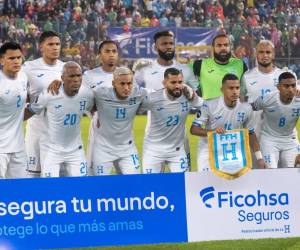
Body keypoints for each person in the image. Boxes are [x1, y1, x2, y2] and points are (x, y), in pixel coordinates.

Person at [133, 30, 198, 169]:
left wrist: (191, 93)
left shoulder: (184, 70)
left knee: (183, 181)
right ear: (155, 47)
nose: (168, 46)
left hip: (179, 137)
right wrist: (133, 73)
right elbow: (131, 92)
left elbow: (196, 95)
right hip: (153, 137)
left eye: (171, 43)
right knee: (153, 185)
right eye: (164, 44)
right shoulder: (145, 68)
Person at [25, 62, 94, 177]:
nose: (76, 79)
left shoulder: (87, 94)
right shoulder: (50, 94)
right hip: (52, 151)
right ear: (62, 78)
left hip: (76, 150)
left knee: (81, 186)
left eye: (78, 75)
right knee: (50, 188)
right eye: (71, 76)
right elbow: (31, 110)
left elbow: (95, 108)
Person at [190, 74, 264, 172]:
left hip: (231, 150)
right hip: (208, 149)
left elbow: (250, 133)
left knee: (233, 182)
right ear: (222, 89)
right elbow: (193, 129)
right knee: (206, 180)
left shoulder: (246, 108)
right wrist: (213, 132)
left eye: (237, 88)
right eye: (230, 88)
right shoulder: (209, 105)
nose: (234, 92)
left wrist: (259, 158)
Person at [139, 68, 203, 173]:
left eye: (180, 82)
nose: (177, 86)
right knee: (152, 186)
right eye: (173, 82)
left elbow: (207, 107)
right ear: (164, 83)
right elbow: (133, 107)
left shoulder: (188, 96)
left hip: (177, 151)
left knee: (183, 185)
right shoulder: (153, 98)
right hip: (153, 151)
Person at [91, 67, 148, 175]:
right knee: (100, 187)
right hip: (103, 150)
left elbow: (161, 94)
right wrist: (60, 85)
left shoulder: (139, 93)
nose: (126, 88)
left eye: (129, 83)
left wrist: (184, 88)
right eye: (122, 84)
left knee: (134, 184)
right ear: (113, 83)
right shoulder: (100, 93)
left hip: (127, 149)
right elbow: (80, 93)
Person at [23, 30, 64, 177]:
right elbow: (22, 95)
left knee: (54, 177)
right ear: (41, 47)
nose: (55, 47)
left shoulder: (66, 68)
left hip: (58, 132)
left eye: (58, 44)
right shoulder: (28, 68)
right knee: (32, 176)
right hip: (36, 131)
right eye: (51, 44)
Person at [251, 71, 300, 169]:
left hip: (290, 140)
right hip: (269, 139)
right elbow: (250, 108)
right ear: (278, 87)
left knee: (292, 172)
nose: (290, 89)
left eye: (293, 86)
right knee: (270, 171)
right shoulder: (267, 99)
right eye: (286, 86)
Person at [191, 33, 248, 100]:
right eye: (219, 45)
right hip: (210, 109)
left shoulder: (240, 64)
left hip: (232, 109)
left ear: (230, 47)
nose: (223, 48)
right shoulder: (200, 64)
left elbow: (245, 88)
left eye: (226, 45)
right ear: (213, 48)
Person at [0, 42, 28, 178]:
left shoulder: (23, 76)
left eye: (19, 57)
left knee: (21, 192)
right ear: (1, 60)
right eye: (11, 58)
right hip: (1, 149)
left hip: (18, 147)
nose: (16, 61)